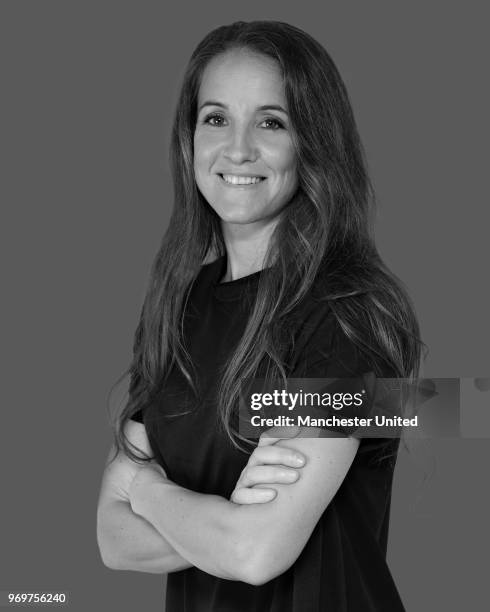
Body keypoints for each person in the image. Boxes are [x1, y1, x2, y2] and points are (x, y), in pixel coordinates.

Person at [96, 20, 422, 612]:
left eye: (272, 122)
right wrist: (223, 515)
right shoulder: (178, 303)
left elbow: (254, 553)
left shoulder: (345, 313)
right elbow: (113, 541)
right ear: (189, 138)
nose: (238, 148)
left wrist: (143, 488)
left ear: (313, 142)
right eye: (216, 118)